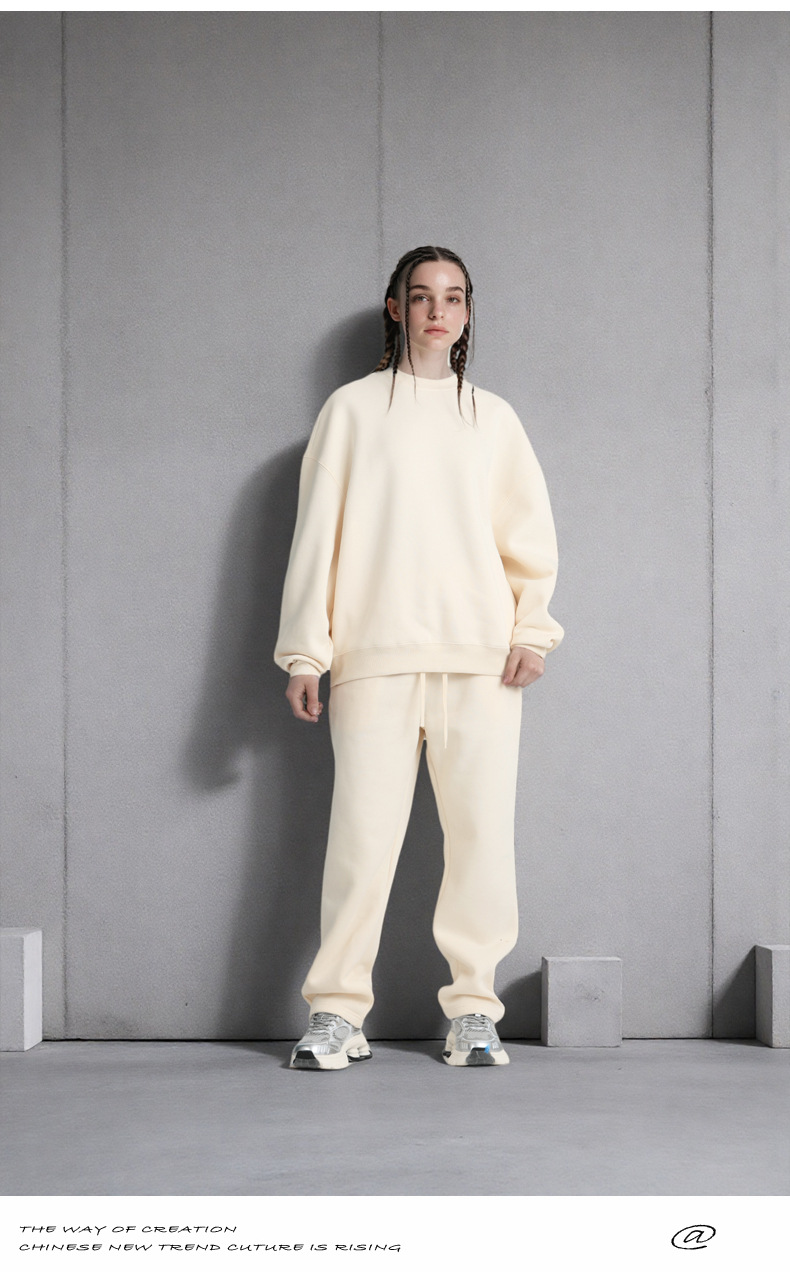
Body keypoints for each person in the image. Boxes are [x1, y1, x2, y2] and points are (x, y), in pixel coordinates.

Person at [274, 245, 564, 1070]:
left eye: (455, 297)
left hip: (482, 663)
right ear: (396, 307)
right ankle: (337, 1013)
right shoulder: (351, 411)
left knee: (482, 842)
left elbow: (528, 538)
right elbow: (317, 539)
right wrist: (306, 654)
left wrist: (531, 631)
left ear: (468, 312)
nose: (440, 310)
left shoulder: (493, 418)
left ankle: (474, 1011)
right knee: (360, 842)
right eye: (424, 295)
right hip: (375, 657)